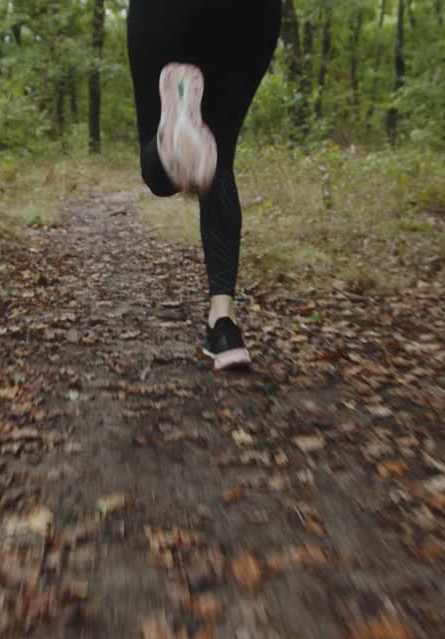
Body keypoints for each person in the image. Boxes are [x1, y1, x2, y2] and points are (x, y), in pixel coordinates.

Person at [127, 0, 282, 371]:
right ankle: (223, 325)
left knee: (161, 178)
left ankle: (174, 132)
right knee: (218, 158)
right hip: (251, 16)